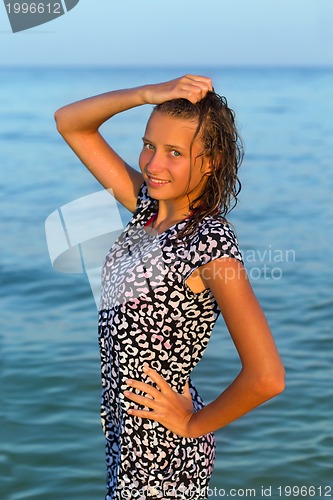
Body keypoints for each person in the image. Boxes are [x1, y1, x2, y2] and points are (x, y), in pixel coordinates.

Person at [54, 74, 285, 500]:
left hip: (162, 452)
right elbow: (70, 122)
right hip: (127, 437)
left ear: (211, 160)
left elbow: (267, 377)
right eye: (149, 145)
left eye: (175, 153)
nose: (153, 164)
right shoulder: (149, 208)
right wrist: (147, 94)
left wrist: (192, 425)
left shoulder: (209, 242)